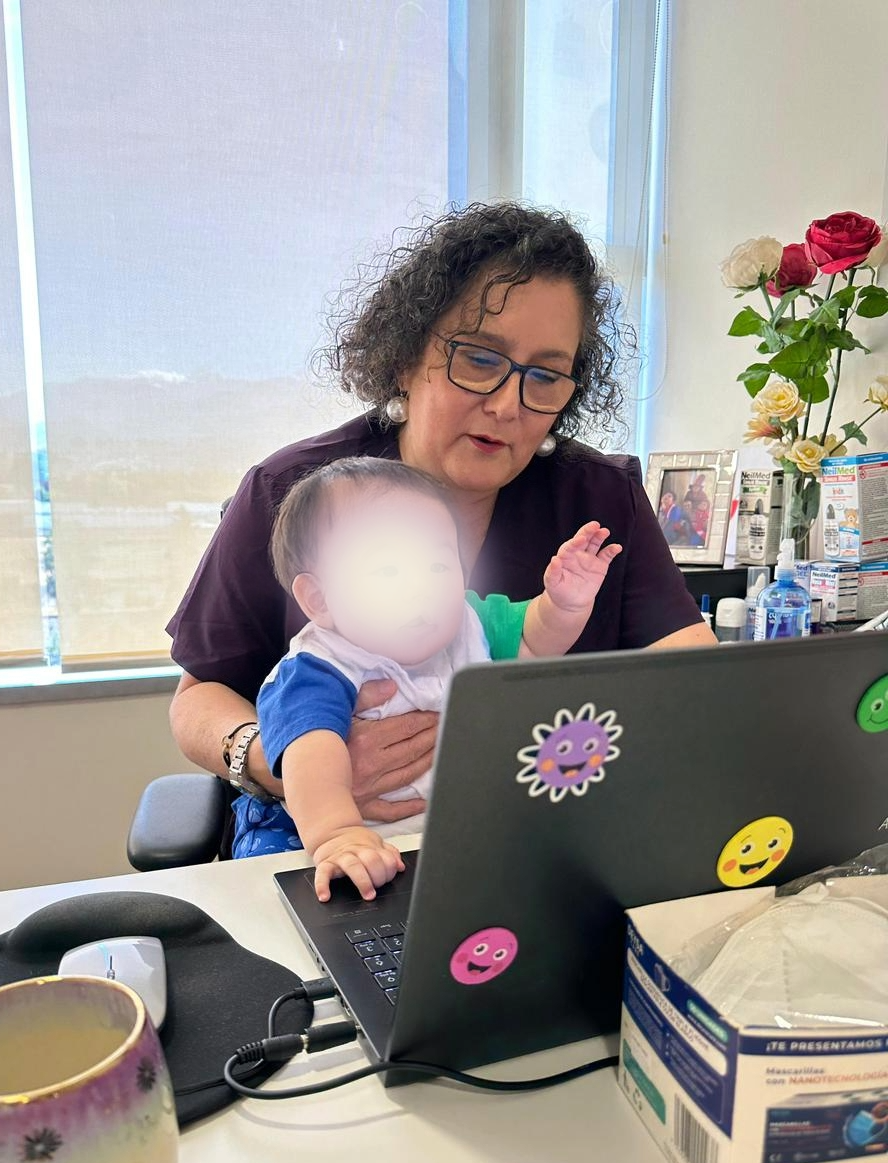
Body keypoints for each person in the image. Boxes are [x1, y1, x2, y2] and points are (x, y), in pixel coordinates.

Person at [167, 202, 714, 859]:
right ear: (406, 356)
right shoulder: (296, 493)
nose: (509, 405)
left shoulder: (599, 501)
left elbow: (690, 676)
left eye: (545, 375)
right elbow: (199, 697)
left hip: (526, 846)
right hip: (328, 851)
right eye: (480, 359)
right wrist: (288, 764)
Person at [252, 456, 622, 900]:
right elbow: (310, 756)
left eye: (438, 566)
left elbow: (535, 641)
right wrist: (338, 834)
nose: (420, 589)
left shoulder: (469, 623)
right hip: (348, 848)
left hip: (457, 842)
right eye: (387, 571)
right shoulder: (320, 667)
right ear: (320, 599)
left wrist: (563, 605)